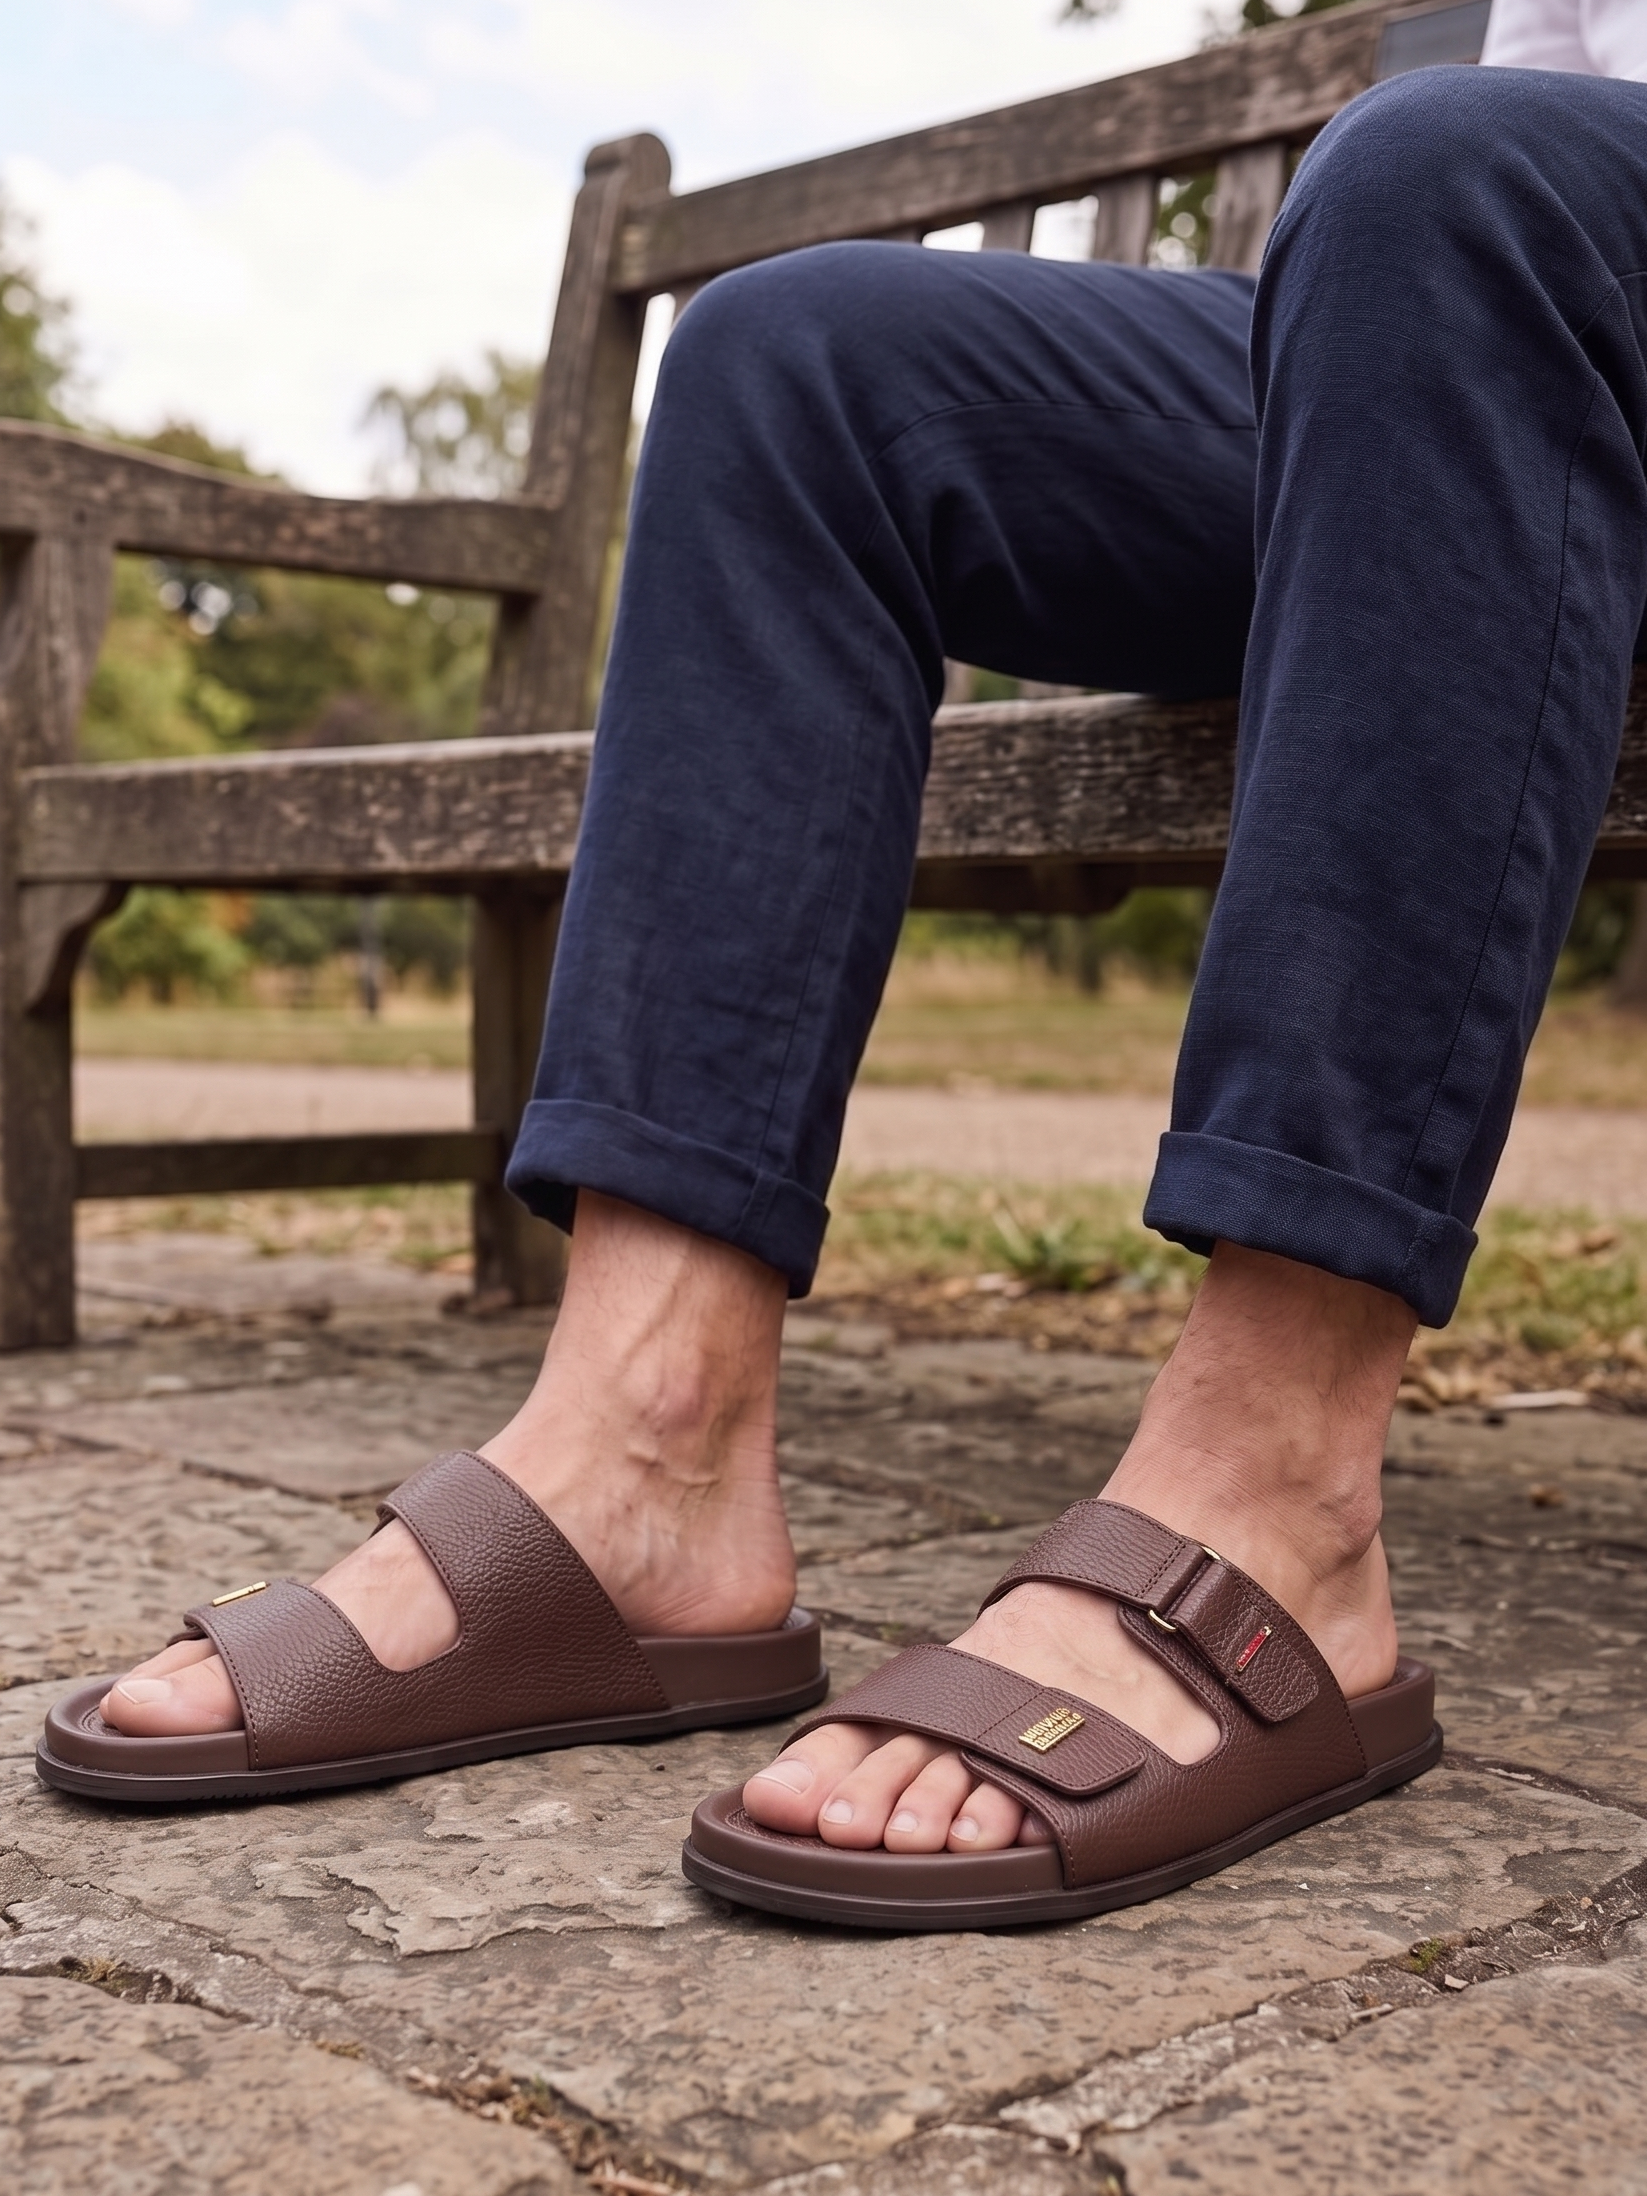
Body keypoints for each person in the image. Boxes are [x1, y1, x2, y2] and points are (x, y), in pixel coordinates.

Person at [40, 1, 1647, 1926]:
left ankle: (1277, 1490)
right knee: (792, 357)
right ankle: (648, 1452)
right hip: (1452, 319)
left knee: (1444, 176)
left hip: (1503, 248)